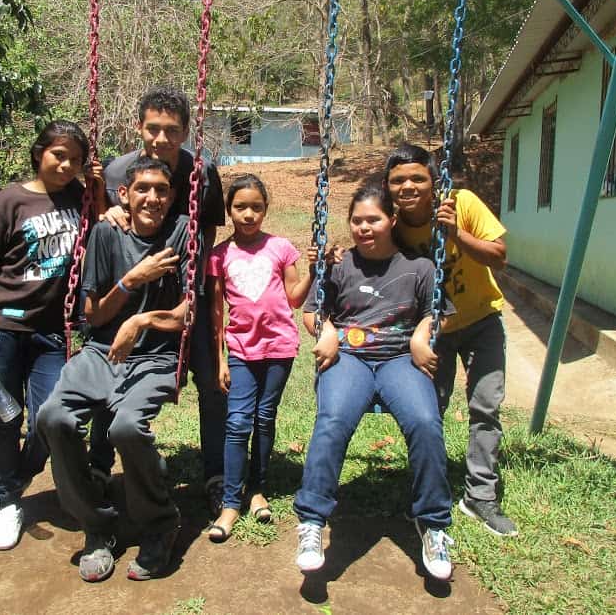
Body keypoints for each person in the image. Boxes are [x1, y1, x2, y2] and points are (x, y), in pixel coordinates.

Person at [293, 180, 456, 582]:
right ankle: (312, 522)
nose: (364, 228)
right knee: (331, 422)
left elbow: (441, 312)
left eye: (374, 220)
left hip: (400, 358)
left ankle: (433, 525)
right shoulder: (338, 266)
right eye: (357, 221)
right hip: (348, 357)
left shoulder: (419, 268)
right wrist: (326, 329)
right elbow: (313, 313)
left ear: (392, 220)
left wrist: (422, 333)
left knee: (425, 422)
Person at [37, 157, 189, 583]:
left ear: (172, 196)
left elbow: (186, 313)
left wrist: (140, 320)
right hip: (100, 351)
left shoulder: (182, 233)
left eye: (162, 190)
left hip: (156, 356)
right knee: (52, 418)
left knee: (125, 428)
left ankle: (160, 523)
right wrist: (132, 280)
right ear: (124, 193)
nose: (152, 198)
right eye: (142, 189)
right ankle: (98, 526)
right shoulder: (105, 233)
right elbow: (91, 315)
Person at [0, 120, 101, 551]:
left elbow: (103, 233)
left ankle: (17, 478)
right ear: (39, 152)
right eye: (59, 155)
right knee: (6, 416)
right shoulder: (10, 200)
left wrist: (96, 189)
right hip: (3, 327)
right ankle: (8, 503)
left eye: (75, 159)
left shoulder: (80, 197)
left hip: (52, 332)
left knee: (50, 415)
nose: (67, 164)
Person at [95, 86, 227, 515]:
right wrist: (106, 212)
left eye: (172, 131)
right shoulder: (118, 171)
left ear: (186, 132)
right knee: (107, 366)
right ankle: (99, 469)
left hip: (188, 290)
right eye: (153, 129)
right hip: (130, 290)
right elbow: (101, 224)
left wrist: (193, 275)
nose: (161, 139)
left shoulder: (201, 173)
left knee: (211, 382)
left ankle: (216, 474)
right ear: (139, 127)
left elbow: (207, 228)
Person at [385, 143, 517, 537]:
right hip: (435, 331)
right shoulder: (393, 228)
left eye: (417, 178)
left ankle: (480, 495)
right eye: (397, 180)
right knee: (430, 412)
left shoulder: (462, 203)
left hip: (481, 321)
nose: (407, 186)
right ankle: (429, 492)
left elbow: (499, 255)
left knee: (485, 407)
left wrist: (454, 233)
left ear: (433, 180)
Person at [205, 174, 314, 542]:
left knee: (264, 418)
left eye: (256, 207)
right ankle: (231, 503)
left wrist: (314, 270)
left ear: (266, 209)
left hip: (279, 348)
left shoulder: (281, 248)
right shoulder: (220, 255)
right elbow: (216, 311)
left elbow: (295, 298)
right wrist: (220, 359)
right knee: (238, 422)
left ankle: (258, 490)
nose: (248, 214)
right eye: (240, 207)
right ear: (229, 210)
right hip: (240, 350)